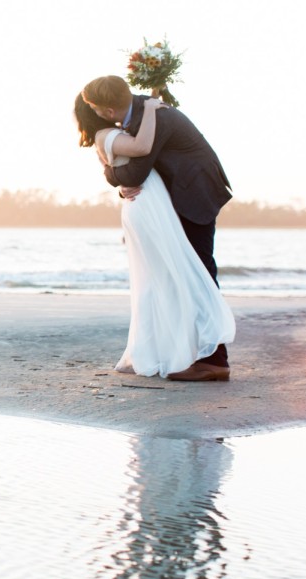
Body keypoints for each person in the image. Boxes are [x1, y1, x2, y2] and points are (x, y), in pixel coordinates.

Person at [81, 76, 235, 382]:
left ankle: (215, 361)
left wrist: (109, 171)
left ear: (108, 110)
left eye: (96, 109)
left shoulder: (154, 116)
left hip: (195, 195)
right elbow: (137, 172)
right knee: (179, 272)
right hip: (179, 195)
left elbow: (136, 171)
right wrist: (122, 184)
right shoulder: (140, 111)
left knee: (198, 271)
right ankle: (193, 351)